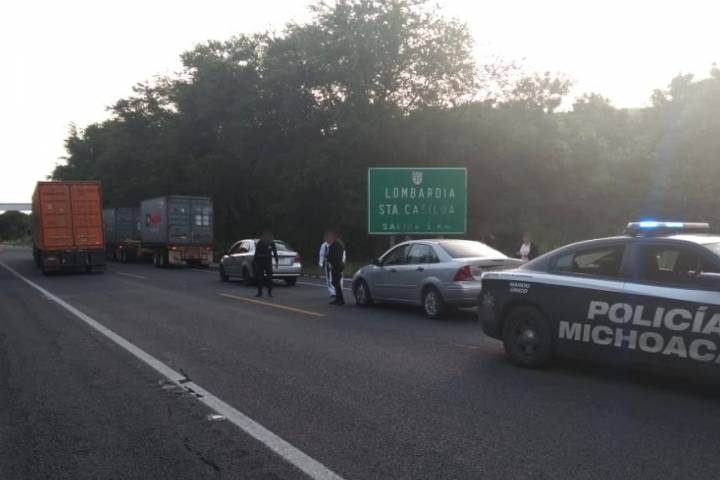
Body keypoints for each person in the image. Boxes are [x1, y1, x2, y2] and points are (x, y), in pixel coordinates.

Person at [253, 230, 278, 297]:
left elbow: (256, 253)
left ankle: (263, 293)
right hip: (263, 262)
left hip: (263, 262)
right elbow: (275, 253)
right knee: (266, 278)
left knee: (264, 278)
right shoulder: (263, 243)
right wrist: (276, 261)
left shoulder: (263, 242)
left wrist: (255, 261)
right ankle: (266, 293)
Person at [326, 230, 346, 306]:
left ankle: (340, 300)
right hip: (335, 265)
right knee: (334, 282)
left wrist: (331, 262)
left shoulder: (337, 245)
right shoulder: (335, 244)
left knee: (336, 282)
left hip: (337, 266)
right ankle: (338, 299)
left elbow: (336, 256)